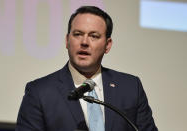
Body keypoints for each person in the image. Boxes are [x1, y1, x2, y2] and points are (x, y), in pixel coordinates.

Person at [15, 6, 158, 131]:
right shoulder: (39, 91)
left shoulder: (131, 87)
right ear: (67, 40)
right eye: (77, 34)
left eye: (94, 36)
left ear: (107, 45)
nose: (84, 42)